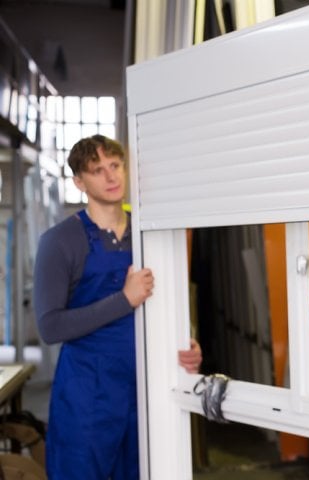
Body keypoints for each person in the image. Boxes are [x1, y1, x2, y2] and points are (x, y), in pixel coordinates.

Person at [33, 134, 203, 479]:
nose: (111, 178)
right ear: (80, 182)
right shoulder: (59, 241)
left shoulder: (150, 230)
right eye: (98, 171)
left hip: (145, 392)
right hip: (87, 400)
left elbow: (169, 297)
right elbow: (50, 328)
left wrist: (187, 341)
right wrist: (124, 300)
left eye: (115, 166)